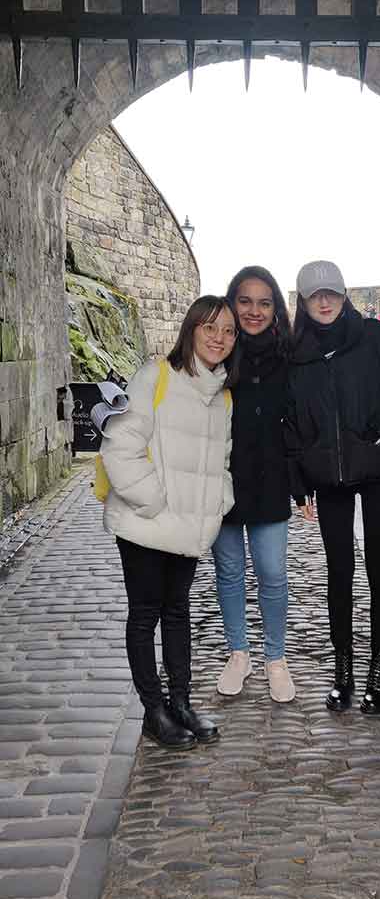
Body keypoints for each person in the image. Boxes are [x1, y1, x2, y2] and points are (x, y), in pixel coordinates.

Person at [285, 261, 380, 715]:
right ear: (304, 303)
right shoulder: (296, 355)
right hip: (330, 480)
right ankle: (343, 669)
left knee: (378, 569)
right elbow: (289, 424)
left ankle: (378, 670)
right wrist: (300, 481)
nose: (325, 302)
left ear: (344, 294)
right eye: (315, 296)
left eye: (331, 293)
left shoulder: (377, 338)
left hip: (378, 471)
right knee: (339, 574)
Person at [99, 296, 238, 749]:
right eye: (210, 327)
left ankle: (180, 702)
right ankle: (153, 711)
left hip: (188, 526)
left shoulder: (223, 395)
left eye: (229, 331)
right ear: (191, 329)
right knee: (145, 615)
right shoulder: (154, 377)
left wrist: (216, 504)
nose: (219, 338)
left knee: (177, 612)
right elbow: (120, 445)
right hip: (146, 521)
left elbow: (222, 462)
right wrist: (152, 502)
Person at [212, 266, 295, 703]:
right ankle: (238, 652)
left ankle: (276, 658)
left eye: (264, 302)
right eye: (245, 301)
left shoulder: (289, 354)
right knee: (228, 572)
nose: (254, 310)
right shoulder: (218, 351)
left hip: (270, 479)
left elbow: (303, 420)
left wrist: (304, 484)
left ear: (275, 307)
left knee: (273, 574)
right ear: (232, 303)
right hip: (223, 480)